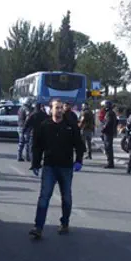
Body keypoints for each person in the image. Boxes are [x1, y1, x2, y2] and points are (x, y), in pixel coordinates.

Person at [29, 99, 86, 239]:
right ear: (51, 109)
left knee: (66, 197)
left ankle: (65, 223)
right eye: (56, 108)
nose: (59, 110)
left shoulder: (71, 126)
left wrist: (79, 161)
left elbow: (79, 145)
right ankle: (38, 227)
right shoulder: (44, 125)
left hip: (66, 167)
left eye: (61, 108)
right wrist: (35, 163)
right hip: (49, 167)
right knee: (44, 197)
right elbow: (37, 146)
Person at [101, 100, 117, 169]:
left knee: (108, 148)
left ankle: (110, 163)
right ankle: (110, 163)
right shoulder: (111, 112)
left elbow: (108, 123)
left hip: (108, 133)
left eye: (104, 105)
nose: (103, 107)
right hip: (109, 132)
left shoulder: (109, 113)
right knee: (108, 148)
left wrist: (103, 130)